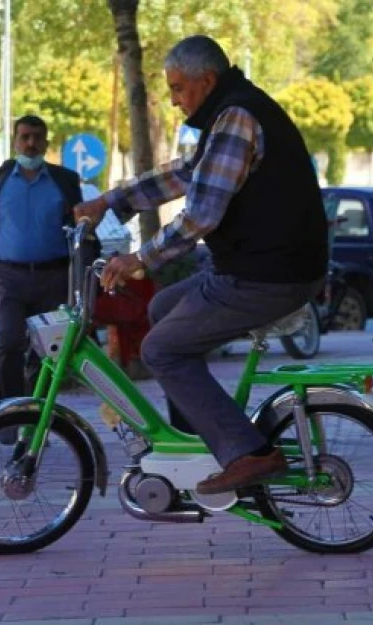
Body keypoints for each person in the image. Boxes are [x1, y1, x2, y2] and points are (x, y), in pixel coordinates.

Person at [73, 35, 328, 495]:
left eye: (177, 89)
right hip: (260, 268)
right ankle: (197, 444)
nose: (173, 100)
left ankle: (246, 453)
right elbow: (187, 173)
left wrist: (138, 259)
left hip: (267, 275)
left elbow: (201, 213)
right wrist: (110, 201)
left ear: (206, 80)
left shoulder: (236, 116)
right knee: (162, 312)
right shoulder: (228, 113)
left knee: (160, 350)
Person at [0, 115, 98, 431]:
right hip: (8, 277)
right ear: (15, 141)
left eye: (37, 137)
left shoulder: (65, 181)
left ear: (47, 142)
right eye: (25, 137)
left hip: (54, 278)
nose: (31, 143)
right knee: (8, 342)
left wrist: (83, 287)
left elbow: (83, 232)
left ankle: (37, 419)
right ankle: (9, 416)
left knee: (47, 353)